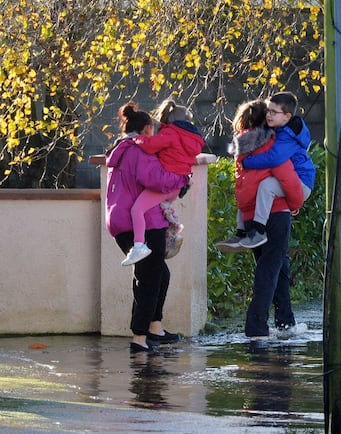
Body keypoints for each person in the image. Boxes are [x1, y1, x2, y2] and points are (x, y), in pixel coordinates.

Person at [105, 102, 188, 353]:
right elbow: (153, 179)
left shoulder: (120, 149)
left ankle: (154, 328)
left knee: (157, 275)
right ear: (148, 129)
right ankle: (139, 339)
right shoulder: (140, 151)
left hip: (119, 221)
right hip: (145, 223)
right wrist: (182, 179)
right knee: (150, 279)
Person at [222, 99, 306, 338]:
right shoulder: (269, 143)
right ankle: (256, 326)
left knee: (278, 267)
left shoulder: (242, 146)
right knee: (270, 269)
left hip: (251, 215)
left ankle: (286, 323)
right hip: (275, 211)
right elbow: (285, 174)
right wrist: (296, 202)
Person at [216, 91, 315, 251]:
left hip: (301, 182)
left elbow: (275, 159)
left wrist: (248, 162)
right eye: (268, 111)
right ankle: (242, 232)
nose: (269, 115)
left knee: (266, 185)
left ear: (286, 117)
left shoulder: (287, 136)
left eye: (274, 112)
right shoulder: (278, 131)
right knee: (250, 189)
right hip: (289, 184)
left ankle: (258, 230)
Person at [121, 99, 205, 266]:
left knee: (137, 209)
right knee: (162, 208)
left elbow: (151, 145)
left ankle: (139, 245)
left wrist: (137, 139)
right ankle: (171, 237)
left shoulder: (171, 133)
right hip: (178, 184)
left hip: (164, 183)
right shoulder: (193, 138)